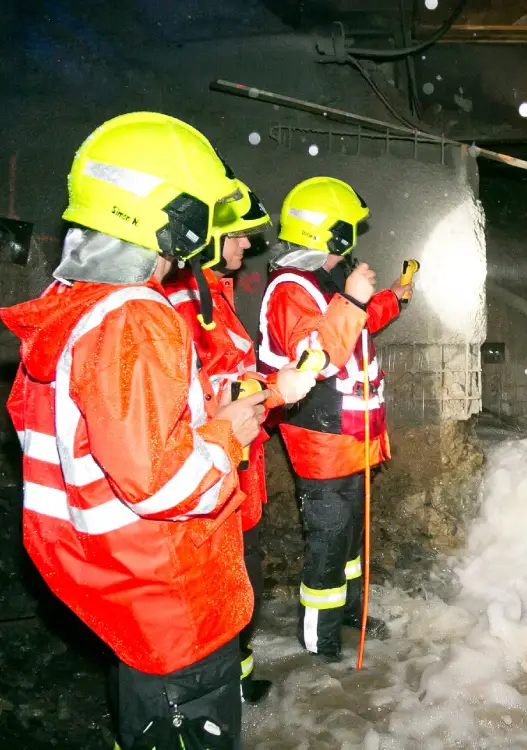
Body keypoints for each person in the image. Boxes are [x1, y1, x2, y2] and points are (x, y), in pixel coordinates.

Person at [0, 112, 268, 749]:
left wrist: (204, 408)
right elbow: (163, 483)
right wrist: (229, 432)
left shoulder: (75, 304)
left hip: (123, 592)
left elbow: (108, 441)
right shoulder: (136, 317)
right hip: (172, 602)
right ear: (170, 216)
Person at [163, 181, 319, 704]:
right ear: (201, 234)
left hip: (230, 479)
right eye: (234, 236)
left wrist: (270, 386)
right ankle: (214, 698)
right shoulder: (180, 301)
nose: (246, 248)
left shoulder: (209, 292)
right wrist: (279, 389)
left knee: (237, 588)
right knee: (213, 599)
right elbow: (202, 399)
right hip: (206, 486)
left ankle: (235, 683)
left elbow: (226, 379)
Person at [257, 176, 412, 661]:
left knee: (349, 539)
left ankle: (349, 614)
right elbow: (317, 354)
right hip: (321, 440)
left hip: (352, 436)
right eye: (348, 230)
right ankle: (319, 646)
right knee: (327, 544)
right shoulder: (289, 290)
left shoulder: (327, 280)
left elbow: (355, 322)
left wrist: (393, 295)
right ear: (333, 233)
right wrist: (355, 298)